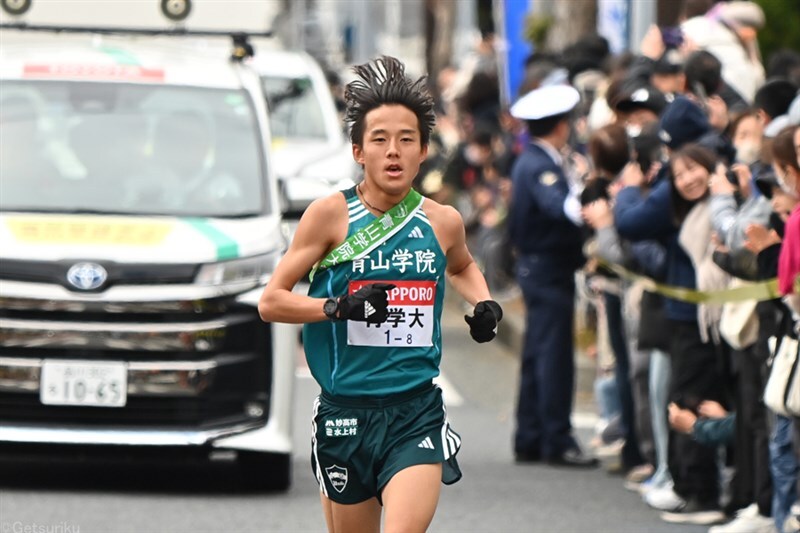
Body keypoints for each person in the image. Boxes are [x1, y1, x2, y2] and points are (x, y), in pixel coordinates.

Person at [258, 56, 502, 533]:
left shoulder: (441, 221)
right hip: (345, 412)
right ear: (358, 151)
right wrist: (337, 308)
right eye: (380, 140)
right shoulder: (329, 216)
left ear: (425, 149)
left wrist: (484, 303)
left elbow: (464, 265)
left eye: (406, 140)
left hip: (415, 411)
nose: (394, 152)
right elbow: (272, 301)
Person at [507, 84, 598, 468]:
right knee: (553, 356)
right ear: (560, 126)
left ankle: (530, 435)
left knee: (537, 353)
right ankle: (555, 439)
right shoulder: (540, 165)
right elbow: (561, 207)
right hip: (547, 268)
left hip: (538, 267)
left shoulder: (533, 159)